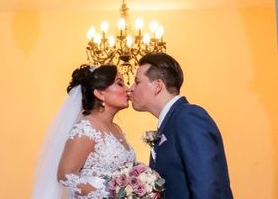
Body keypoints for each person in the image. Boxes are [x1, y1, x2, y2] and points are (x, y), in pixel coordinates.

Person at [129, 52, 233, 199]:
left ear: (157, 86)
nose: (131, 88)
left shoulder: (188, 116)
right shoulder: (170, 122)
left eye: (137, 82)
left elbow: (206, 184)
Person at [32, 64, 134, 198]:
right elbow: (65, 174)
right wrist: (105, 195)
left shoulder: (117, 129)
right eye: (120, 84)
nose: (127, 89)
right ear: (100, 93)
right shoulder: (86, 128)